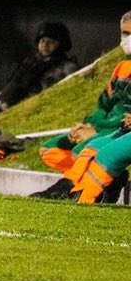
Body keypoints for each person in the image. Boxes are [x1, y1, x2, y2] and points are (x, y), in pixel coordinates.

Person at [32, 12, 131, 201]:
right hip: (110, 127)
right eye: (123, 33)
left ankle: (77, 193)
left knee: (91, 151)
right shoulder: (122, 67)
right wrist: (89, 124)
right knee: (50, 150)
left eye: (129, 33)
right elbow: (104, 104)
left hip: (118, 128)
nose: (125, 39)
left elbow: (126, 118)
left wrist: (97, 130)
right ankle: (81, 186)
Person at [0, 21, 77, 120]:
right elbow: (10, 86)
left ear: (61, 45)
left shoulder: (67, 68)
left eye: (51, 42)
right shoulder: (29, 63)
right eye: (42, 40)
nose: (45, 45)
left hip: (35, 117)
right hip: (3, 115)